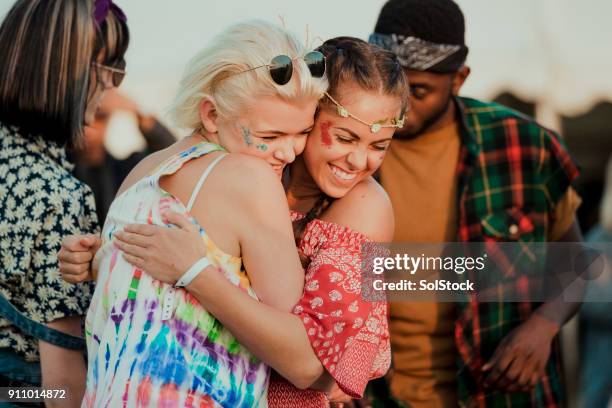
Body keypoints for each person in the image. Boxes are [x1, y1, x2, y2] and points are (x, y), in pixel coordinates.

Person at [59, 32, 409, 407]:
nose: (359, 161)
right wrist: (101, 258)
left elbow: (320, 368)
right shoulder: (252, 174)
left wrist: (194, 272)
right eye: (342, 137)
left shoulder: (364, 205)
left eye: (379, 146)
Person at [368, 0, 583, 406]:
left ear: (459, 79)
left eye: (419, 91)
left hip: (500, 395)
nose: (400, 106)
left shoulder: (526, 146)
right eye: (388, 85)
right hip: (381, 396)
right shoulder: (345, 150)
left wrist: (544, 325)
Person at [0, 0, 128, 406]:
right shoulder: (58, 195)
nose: (114, 85)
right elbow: (62, 389)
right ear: (64, 69)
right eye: (110, 67)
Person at [73, 89, 176, 223]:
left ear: (109, 118)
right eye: (81, 117)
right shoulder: (58, 164)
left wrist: (137, 110)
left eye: (99, 115)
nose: (90, 124)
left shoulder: (125, 170)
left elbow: (172, 155)